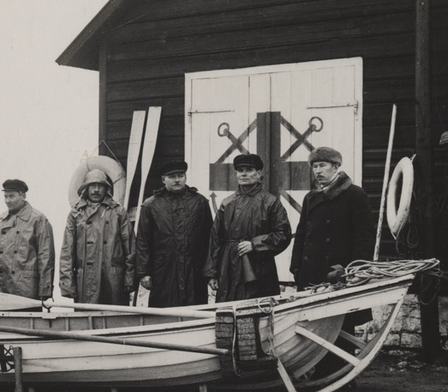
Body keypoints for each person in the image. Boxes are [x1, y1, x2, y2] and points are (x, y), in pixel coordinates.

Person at [290, 146, 376, 378]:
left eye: (322, 165)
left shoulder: (354, 195)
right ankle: (315, 370)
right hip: (312, 274)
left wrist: (353, 270)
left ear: (336, 167)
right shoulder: (311, 197)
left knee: (339, 325)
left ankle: (339, 375)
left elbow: (364, 236)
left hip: (337, 275)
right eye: (314, 166)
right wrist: (296, 266)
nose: (317, 171)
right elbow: (302, 234)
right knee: (313, 325)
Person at [205, 154, 292, 302]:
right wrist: (212, 273)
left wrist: (255, 244)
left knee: (257, 311)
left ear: (258, 174)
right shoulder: (227, 203)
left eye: (249, 170)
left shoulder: (270, 202)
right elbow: (215, 239)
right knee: (228, 312)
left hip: (259, 268)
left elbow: (283, 234)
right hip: (228, 267)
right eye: (240, 170)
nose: (244, 174)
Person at [135, 160, 213, 307]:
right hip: (164, 270)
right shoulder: (151, 205)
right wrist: (144, 272)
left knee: (195, 310)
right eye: (172, 177)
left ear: (186, 177)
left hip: (193, 270)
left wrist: (210, 272)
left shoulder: (200, 202)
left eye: (180, 175)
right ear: (163, 179)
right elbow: (143, 241)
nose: (177, 180)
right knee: (163, 311)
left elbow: (210, 238)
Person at [59, 169, 135, 306]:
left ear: (106, 188)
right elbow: (67, 252)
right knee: (86, 321)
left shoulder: (118, 212)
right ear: (86, 189)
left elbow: (130, 248)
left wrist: (130, 278)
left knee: (115, 319)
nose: (96, 190)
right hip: (86, 280)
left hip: (113, 279)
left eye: (100, 186)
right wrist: (67, 283)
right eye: (92, 186)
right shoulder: (76, 214)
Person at [0, 179, 55, 300]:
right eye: (5, 196)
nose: (7, 201)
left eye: (11, 196)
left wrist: (45, 290)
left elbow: (46, 257)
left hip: (26, 290)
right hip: (0, 288)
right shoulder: (0, 221)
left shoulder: (38, 219)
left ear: (23, 195)